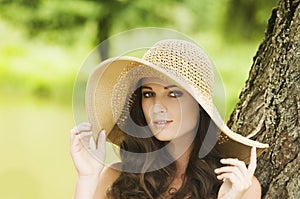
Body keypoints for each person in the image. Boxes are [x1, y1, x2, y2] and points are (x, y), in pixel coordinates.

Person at [70, 39, 269, 199]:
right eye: (148, 94)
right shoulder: (118, 178)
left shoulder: (238, 186)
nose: (157, 106)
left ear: (200, 107)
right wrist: (87, 178)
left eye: (174, 94)